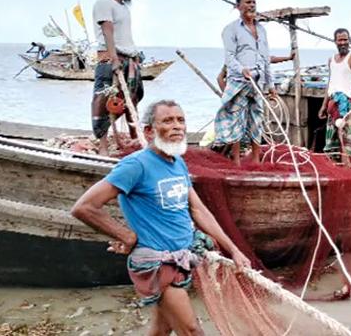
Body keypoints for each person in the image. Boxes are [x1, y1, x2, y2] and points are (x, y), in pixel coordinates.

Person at [72, 99, 251, 336]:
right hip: (156, 263)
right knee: (191, 330)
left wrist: (234, 250)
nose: (177, 126)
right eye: (168, 120)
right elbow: (84, 207)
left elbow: (198, 211)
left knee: (161, 329)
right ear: (149, 130)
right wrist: (127, 236)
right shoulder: (136, 165)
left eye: (181, 120)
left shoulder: (177, 162)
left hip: (180, 259)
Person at [214, 0, 276, 165]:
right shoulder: (230, 29)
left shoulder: (262, 30)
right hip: (239, 80)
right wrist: (242, 70)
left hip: (258, 82)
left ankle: (256, 160)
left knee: (257, 118)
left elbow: (266, 58)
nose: (252, 5)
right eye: (248, 2)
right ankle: (236, 160)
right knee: (236, 119)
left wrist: (270, 84)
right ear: (238, 6)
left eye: (254, 2)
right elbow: (230, 57)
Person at [91, 0, 145, 156]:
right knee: (103, 101)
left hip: (128, 60)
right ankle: (103, 147)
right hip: (110, 60)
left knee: (131, 101)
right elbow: (108, 32)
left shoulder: (122, 7)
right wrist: (114, 60)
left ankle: (135, 141)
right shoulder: (104, 2)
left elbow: (125, 36)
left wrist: (135, 56)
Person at [317, 28, 351, 167]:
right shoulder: (331, 59)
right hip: (333, 105)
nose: (343, 42)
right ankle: (336, 168)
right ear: (335, 41)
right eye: (340, 40)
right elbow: (330, 83)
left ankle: (349, 169)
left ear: (349, 41)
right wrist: (324, 106)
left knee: (349, 141)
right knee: (333, 139)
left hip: (348, 106)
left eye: (345, 39)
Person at [216, 51, 296, 92]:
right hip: (236, 95)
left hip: (252, 95)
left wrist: (288, 58)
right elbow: (220, 78)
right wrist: (226, 94)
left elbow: (271, 59)